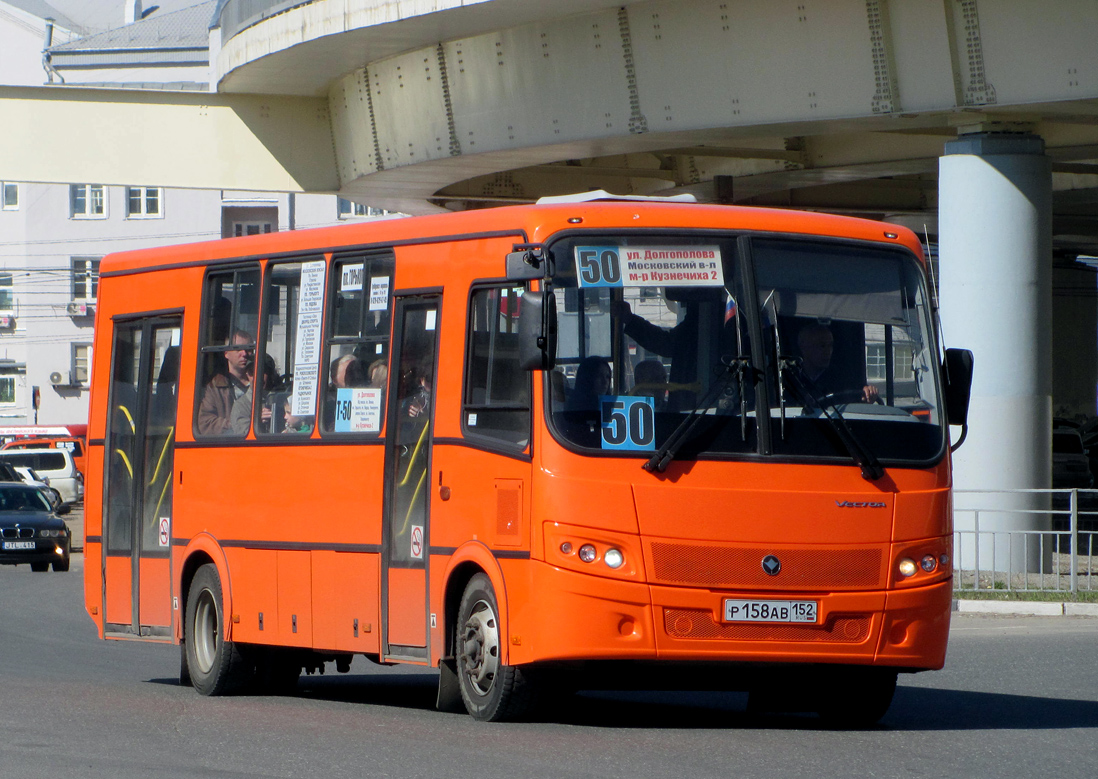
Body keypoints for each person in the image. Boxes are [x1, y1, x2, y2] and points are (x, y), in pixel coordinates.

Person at [796, 321, 878, 403]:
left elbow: (858, 391)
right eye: (822, 345)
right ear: (804, 348)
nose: (828, 351)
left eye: (830, 345)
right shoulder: (791, 378)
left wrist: (868, 392)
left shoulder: (842, 380)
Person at [197, 330, 254, 435]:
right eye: (238, 349)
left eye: (248, 349)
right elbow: (205, 423)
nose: (244, 354)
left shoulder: (263, 381)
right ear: (226, 353)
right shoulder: (214, 386)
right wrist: (238, 423)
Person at [230, 354, 280, 435]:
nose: (257, 377)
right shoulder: (241, 406)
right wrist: (257, 421)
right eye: (251, 372)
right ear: (247, 375)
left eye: (262, 372)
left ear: (271, 374)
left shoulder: (282, 400)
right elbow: (243, 436)